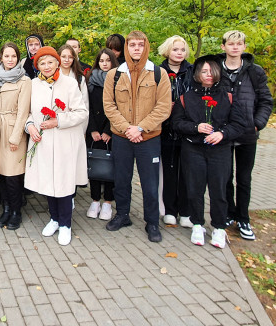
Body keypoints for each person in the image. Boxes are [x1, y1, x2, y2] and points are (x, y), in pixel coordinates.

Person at [103, 31, 172, 243]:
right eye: (132, 45)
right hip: (122, 138)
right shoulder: (114, 74)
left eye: (140, 45)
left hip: (149, 138)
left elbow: (163, 108)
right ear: (127, 48)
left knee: (150, 183)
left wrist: (140, 128)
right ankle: (123, 215)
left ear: (146, 47)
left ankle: (152, 222)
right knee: (121, 180)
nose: (136, 48)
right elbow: (109, 106)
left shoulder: (159, 74)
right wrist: (127, 129)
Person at [171, 55, 246, 248]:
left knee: (219, 189)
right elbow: (177, 123)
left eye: (211, 71)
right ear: (197, 74)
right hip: (193, 149)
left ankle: (219, 228)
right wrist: (196, 127)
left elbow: (239, 124)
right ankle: (197, 224)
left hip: (219, 150)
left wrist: (222, 134)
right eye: (204, 71)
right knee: (194, 189)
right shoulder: (186, 98)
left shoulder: (227, 96)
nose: (208, 75)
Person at [25, 46, 88, 245]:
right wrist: (30, 127)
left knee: (63, 184)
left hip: (64, 142)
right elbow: (26, 112)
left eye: (50, 62)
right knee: (48, 183)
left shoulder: (69, 83)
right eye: (42, 63)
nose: (46, 66)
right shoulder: (33, 84)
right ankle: (53, 219)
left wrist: (58, 121)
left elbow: (81, 112)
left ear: (57, 63)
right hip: (42, 142)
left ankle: (65, 225)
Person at [218, 30, 273, 240]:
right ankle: (228, 214)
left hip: (247, 134)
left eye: (239, 44)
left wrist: (257, 124)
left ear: (244, 47)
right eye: (231, 44)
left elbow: (266, 101)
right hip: (223, 133)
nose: (235, 47)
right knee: (224, 177)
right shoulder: (216, 70)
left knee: (244, 178)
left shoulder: (255, 72)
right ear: (223, 47)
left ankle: (243, 218)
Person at [0, 43, 31, 230]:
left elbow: (24, 112)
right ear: (1, 58)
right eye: (6, 56)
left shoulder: (24, 80)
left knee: (13, 176)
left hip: (13, 129)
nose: (10, 60)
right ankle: (6, 209)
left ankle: (16, 212)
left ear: (18, 58)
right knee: (0, 174)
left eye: (13, 56)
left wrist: (16, 137)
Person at [157, 35, 194, 228]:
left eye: (182, 50)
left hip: (188, 130)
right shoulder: (158, 71)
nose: (179, 53)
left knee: (187, 173)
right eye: (175, 49)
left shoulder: (193, 71)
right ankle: (170, 210)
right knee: (169, 171)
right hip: (166, 129)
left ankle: (186, 212)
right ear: (167, 51)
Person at [85, 48, 119, 221]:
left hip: (111, 131)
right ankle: (95, 200)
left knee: (109, 167)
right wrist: (92, 129)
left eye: (108, 60)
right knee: (95, 165)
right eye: (101, 61)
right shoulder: (90, 80)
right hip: (94, 131)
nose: (104, 64)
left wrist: (108, 131)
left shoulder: (119, 80)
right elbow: (86, 105)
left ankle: (107, 202)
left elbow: (118, 108)